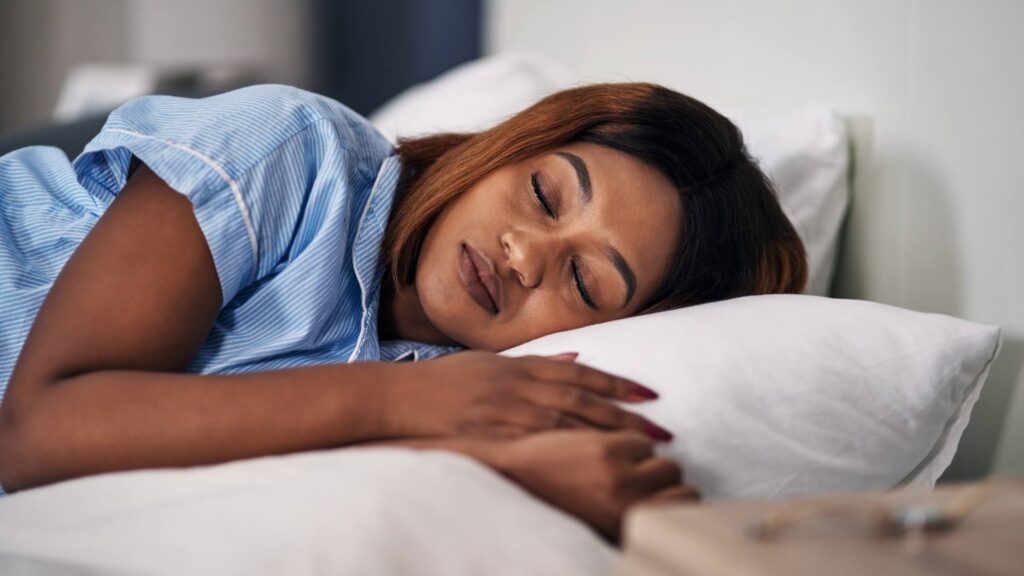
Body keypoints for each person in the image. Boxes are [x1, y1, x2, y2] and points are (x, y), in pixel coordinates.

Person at [0, 82, 806, 540]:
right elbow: (37, 429)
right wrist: (413, 407)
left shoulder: (467, 384)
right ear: (511, 143)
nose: (524, 254)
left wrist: (497, 459)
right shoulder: (291, 150)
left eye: (586, 284)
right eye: (545, 193)